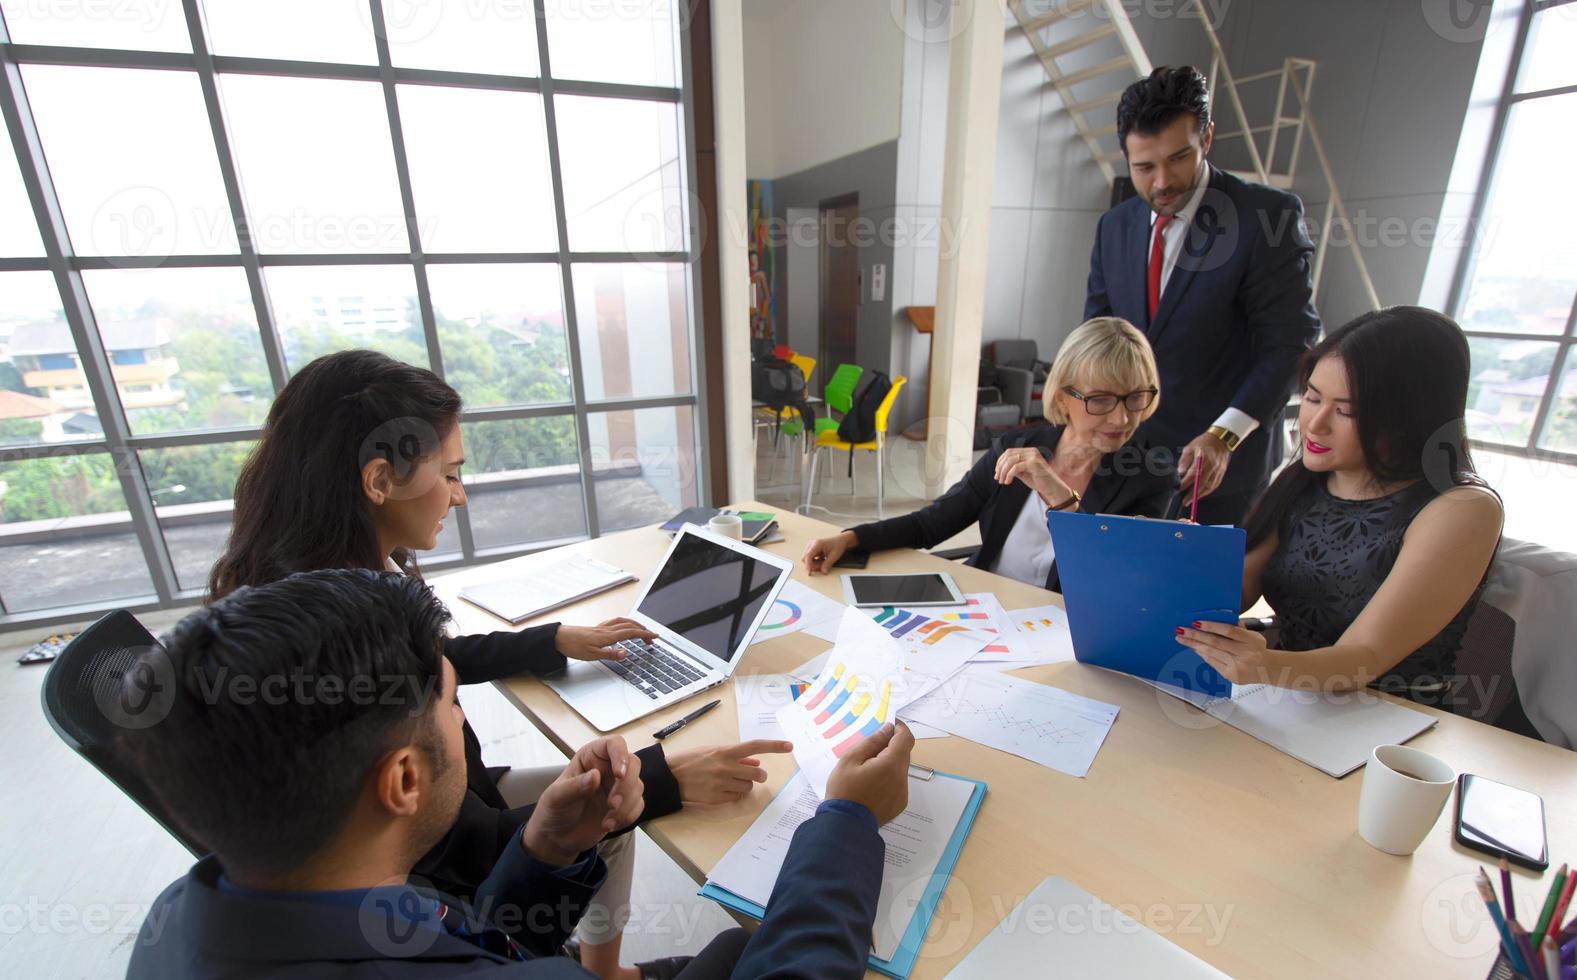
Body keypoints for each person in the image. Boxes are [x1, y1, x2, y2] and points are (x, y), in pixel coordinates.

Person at [207, 350, 791, 980]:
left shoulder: (306, 594)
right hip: (450, 864)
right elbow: (463, 846)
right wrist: (664, 776)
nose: (459, 495)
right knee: (726, 933)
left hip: (454, 822)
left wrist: (552, 640)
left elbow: (437, 662)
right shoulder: (340, 646)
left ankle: (606, 971)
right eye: (451, 473)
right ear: (379, 480)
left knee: (607, 799)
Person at [124, 569, 916, 978]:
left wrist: (542, 851)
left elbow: (446, 940)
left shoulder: (180, 918)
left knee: (732, 952)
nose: (462, 721)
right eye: (449, 704)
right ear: (401, 781)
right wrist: (844, 823)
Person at [1174, 307, 1503, 704]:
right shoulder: (1306, 479)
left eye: (1346, 411)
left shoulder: (1461, 508)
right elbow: (1241, 585)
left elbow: (1365, 655)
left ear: (1411, 416)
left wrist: (1264, 666)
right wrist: (1184, 560)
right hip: (1292, 699)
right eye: (1312, 398)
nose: (1314, 423)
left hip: (1390, 718)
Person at [1085, 65, 1322, 526]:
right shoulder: (1114, 227)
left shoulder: (1265, 217)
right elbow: (1097, 339)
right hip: (1124, 459)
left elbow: (1289, 345)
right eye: (1144, 167)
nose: (1161, 183)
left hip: (1218, 466)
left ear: (1207, 138)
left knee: (1195, 596)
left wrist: (1224, 436)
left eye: (1178, 158)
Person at [802, 317, 1176, 590]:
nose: (1123, 416)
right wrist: (850, 539)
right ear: (1063, 395)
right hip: (987, 609)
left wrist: (1061, 499)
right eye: (1102, 399)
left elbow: (1112, 575)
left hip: (1065, 632)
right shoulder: (1015, 448)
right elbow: (932, 523)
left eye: (1136, 397)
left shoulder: (1150, 476)